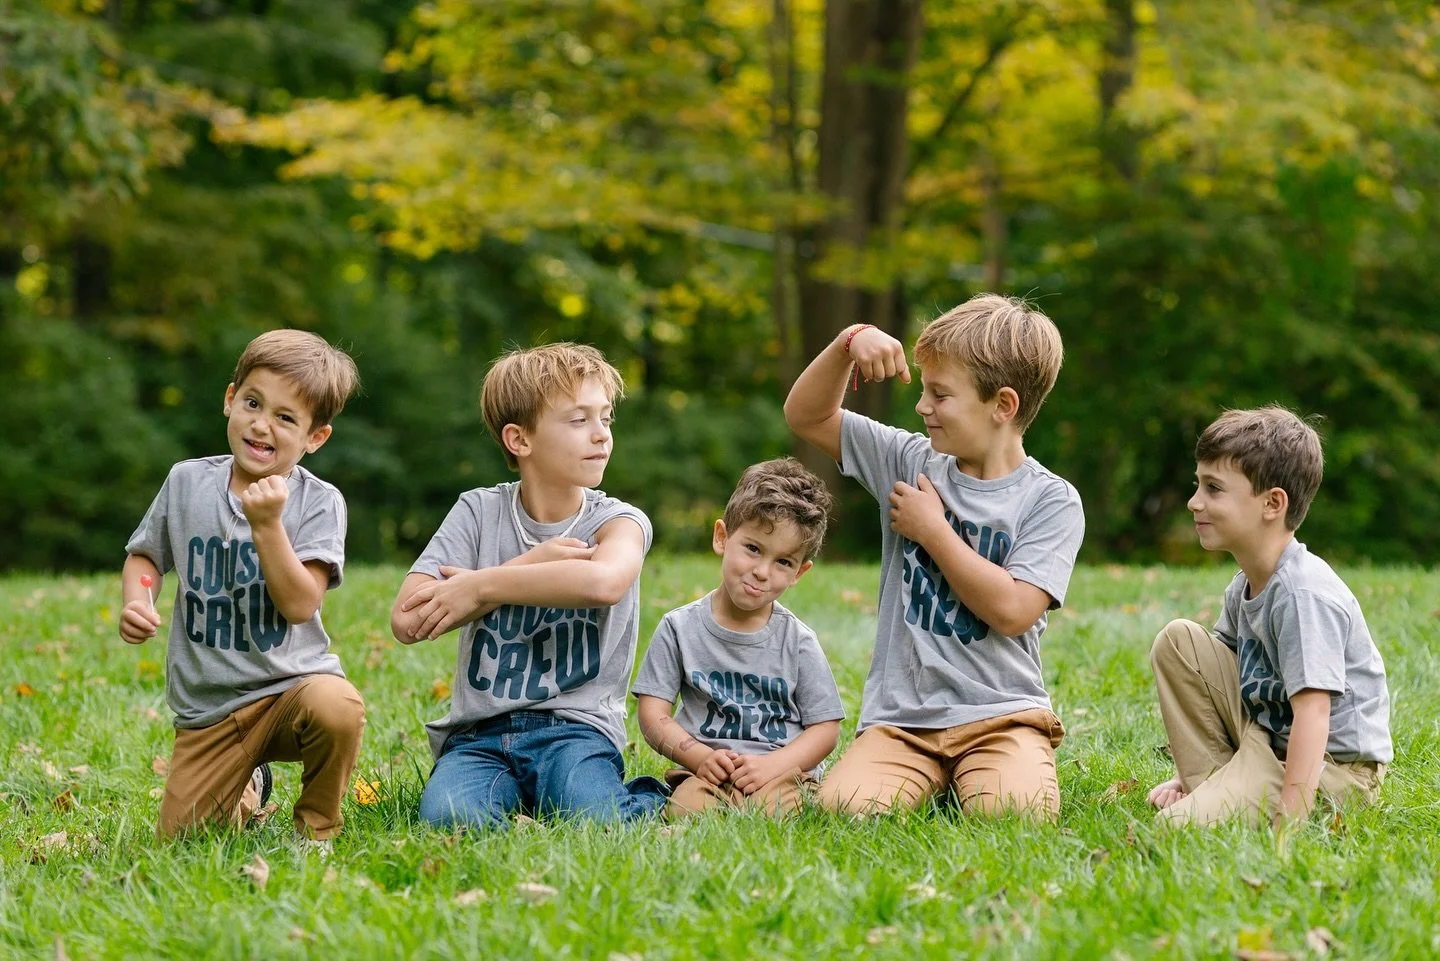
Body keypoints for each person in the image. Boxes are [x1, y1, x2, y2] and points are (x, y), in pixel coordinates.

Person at [783, 294, 1083, 820]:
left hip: (1002, 715)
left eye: (940, 395)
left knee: (1014, 817)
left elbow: (1013, 611)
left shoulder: (1050, 500)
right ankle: (928, 775)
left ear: (1003, 405)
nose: (923, 406)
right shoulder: (909, 459)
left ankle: (985, 772)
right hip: (903, 721)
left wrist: (935, 531)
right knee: (845, 811)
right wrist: (849, 342)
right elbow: (806, 415)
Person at [392, 342, 666, 828]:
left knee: (597, 824)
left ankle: (659, 798)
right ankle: (517, 805)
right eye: (579, 420)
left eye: (606, 418)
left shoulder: (617, 521)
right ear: (520, 439)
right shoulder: (477, 513)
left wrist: (481, 587)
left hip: (576, 731)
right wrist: (532, 562)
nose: (601, 434)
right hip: (478, 737)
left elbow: (604, 582)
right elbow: (408, 620)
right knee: (450, 821)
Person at [120, 328, 365, 852]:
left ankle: (316, 830)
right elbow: (146, 555)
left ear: (314, 438)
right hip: (208, 710)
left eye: (285, 418)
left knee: (338, 706)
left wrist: (268, 527)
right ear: (230, 400)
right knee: (184, 846)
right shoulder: (187, 482)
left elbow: (300, 603)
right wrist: (139, 598)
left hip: (289, 688)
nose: (262, 425)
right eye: (253, 403)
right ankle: (248, 786)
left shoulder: (319, 504)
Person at [1147, 406, 1391, 827]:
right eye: (1197, 484)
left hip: (1333, 769)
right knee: (1178, 641)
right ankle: (1213, 784)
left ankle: (1229, 798)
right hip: (1269, 742)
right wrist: (1182, 776)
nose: (1194, 501)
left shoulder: (1302, 594)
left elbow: (1314, 714)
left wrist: (1288, 821)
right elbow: (1215, 687)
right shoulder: (1245, 583)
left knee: (1175, 828)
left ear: (1272, 504)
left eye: (1214, 488)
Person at [633, 458, 844, 818]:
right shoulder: (679, 629)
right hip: (707, 773)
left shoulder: (797, 641)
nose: (762, 572)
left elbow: (825, 730)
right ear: (722, 537)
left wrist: (775, 766)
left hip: (780, 774)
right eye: (753, 549)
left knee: (775, 812)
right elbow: (653, 715)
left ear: (799, 572)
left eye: (783, 562)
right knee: (686, 811)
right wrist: (697, 756)